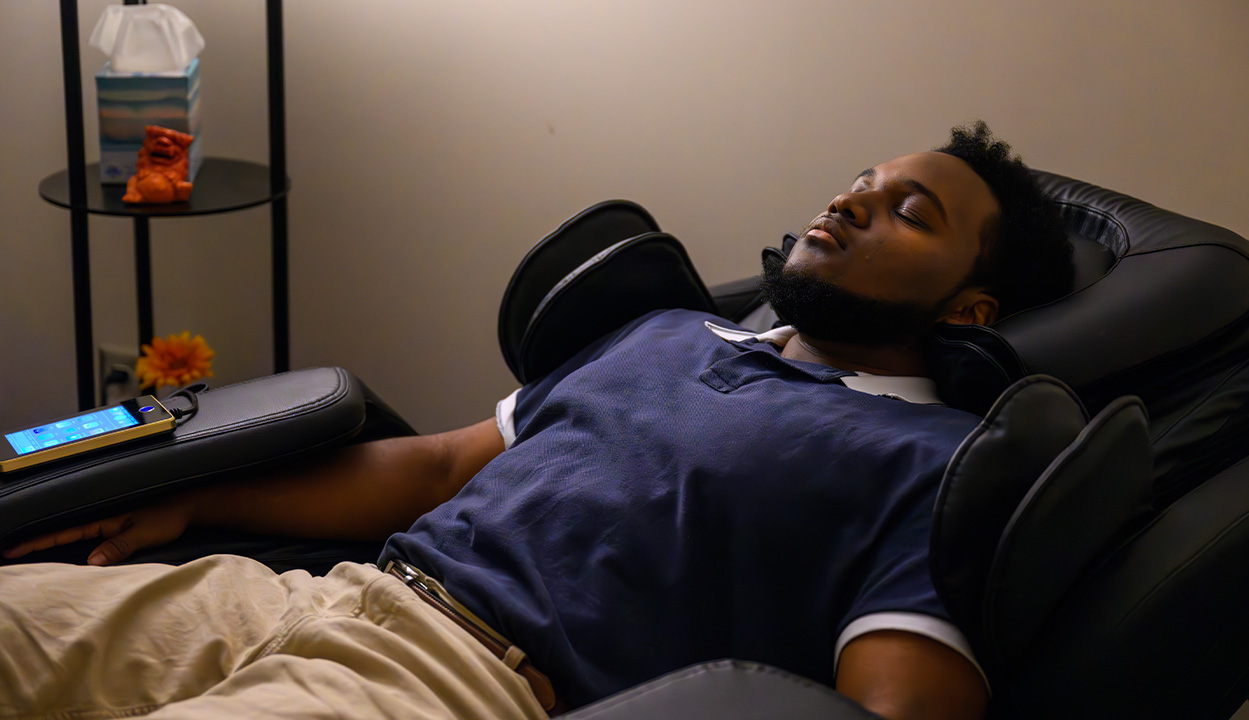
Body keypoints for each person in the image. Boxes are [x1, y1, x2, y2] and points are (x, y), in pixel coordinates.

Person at [0, 121, 1071, 720]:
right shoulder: (668, 334)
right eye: (857, 182)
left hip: (447, 685)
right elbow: (432, 469)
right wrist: (198, 496)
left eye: (907, 212)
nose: (848, 204)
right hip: (309, 597)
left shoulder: (932, 464)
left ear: (968, 307)